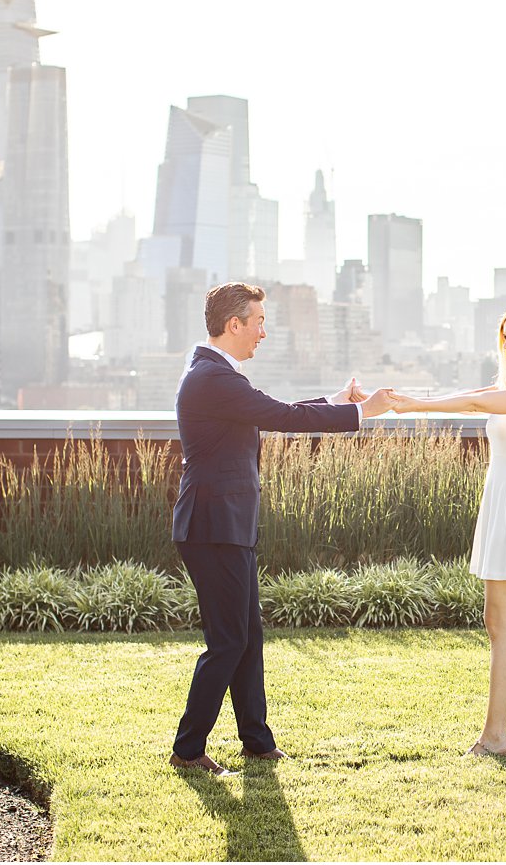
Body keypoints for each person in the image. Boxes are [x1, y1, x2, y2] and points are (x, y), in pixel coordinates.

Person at [170, 282, 394, 777]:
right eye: (258, 322)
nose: (263, 333)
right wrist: (361, 411)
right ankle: (188, 750)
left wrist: (337, 400)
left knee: (248, 637)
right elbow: (281, 415)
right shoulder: (213, 378)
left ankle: (256, 741)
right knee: (229, 641)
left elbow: (271, 412)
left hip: (226, 525)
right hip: (213, 528)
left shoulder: (217, 377)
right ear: (234, 325)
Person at [389, 302, 506, 756]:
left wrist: (416, 406)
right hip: (505, 501)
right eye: (504, 335)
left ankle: (495, 737)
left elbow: (474, 403)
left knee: (499, 624)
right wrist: (411, 398)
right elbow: (476, 391)